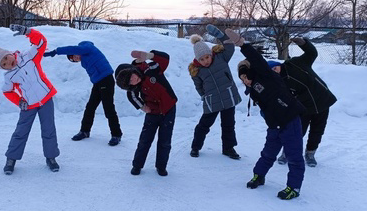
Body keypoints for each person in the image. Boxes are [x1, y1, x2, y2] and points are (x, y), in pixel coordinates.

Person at [224, 28, 306, 200]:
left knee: (294, 156)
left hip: (290, 120)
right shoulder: (252, 89)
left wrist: (242, 44)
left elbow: (256, 59)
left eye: (246, 75)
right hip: (274, 125)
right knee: (268, 153)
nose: (245, 80)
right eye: (242, 78)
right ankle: (259, 175)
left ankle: (294, 187)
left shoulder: (267, 76)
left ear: (253, 71)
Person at [0, 24, 60, 175]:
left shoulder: (29, 57)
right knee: (21, 131)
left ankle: (51, 157)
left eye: (6, 59)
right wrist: (19, 101)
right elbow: (7, 91)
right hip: (28, 105)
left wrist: (28, 32)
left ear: (9, 53)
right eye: (3, 65)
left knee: (48, 129)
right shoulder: (9, 76)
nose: (7, 64)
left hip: (46, 98)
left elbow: (41, 42)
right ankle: (11, 159)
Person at [267, 37, 337, 167]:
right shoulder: (278, 83)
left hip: (322, 100)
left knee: (317, 130)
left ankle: (310, 153)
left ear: (278, 65)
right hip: (303, 107)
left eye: (274, 68)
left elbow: (312, 54)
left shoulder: (295, 63)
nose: (274, 71)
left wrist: (304, 43)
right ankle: (287, 152)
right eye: (271, 72)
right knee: (297, 131)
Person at [43, 41, 122, 145]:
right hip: (98, 82)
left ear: (75, 52)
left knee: (108, 108)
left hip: (106, 79)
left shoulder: (87, 47)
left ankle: (116, 134)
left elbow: (72, 49)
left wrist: (56, 52)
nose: (76, 59)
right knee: (90, 107)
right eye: (73, 60)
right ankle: (85, 131)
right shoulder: (84, 59)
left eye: (74, 57)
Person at [115, 49, 178, 176]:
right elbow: (132, 97)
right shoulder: (133, 87)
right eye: (129, 82)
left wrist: (150, 56)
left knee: (165, 141)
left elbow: (165, 59)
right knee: (145, 140)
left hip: (168, 109)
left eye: (131, 77)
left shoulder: (150, 70)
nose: (133, 80)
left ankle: (161, 166)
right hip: (152, 113)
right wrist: (143, 107)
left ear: (133, 71)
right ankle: (137, 165)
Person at [188, 24, 242, 160]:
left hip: (228, 97)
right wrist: (204, 96)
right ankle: (195, 146)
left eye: (207, 57)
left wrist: (219, 35)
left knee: (229, 124)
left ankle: (228, 148)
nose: (205, 61)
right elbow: (199, 87)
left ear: (211, 54)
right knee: (204, 125)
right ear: (197, 60)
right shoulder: (196, 71)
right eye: (202, 59)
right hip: (212, 101)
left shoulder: (221, 58)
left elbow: (230, 45)